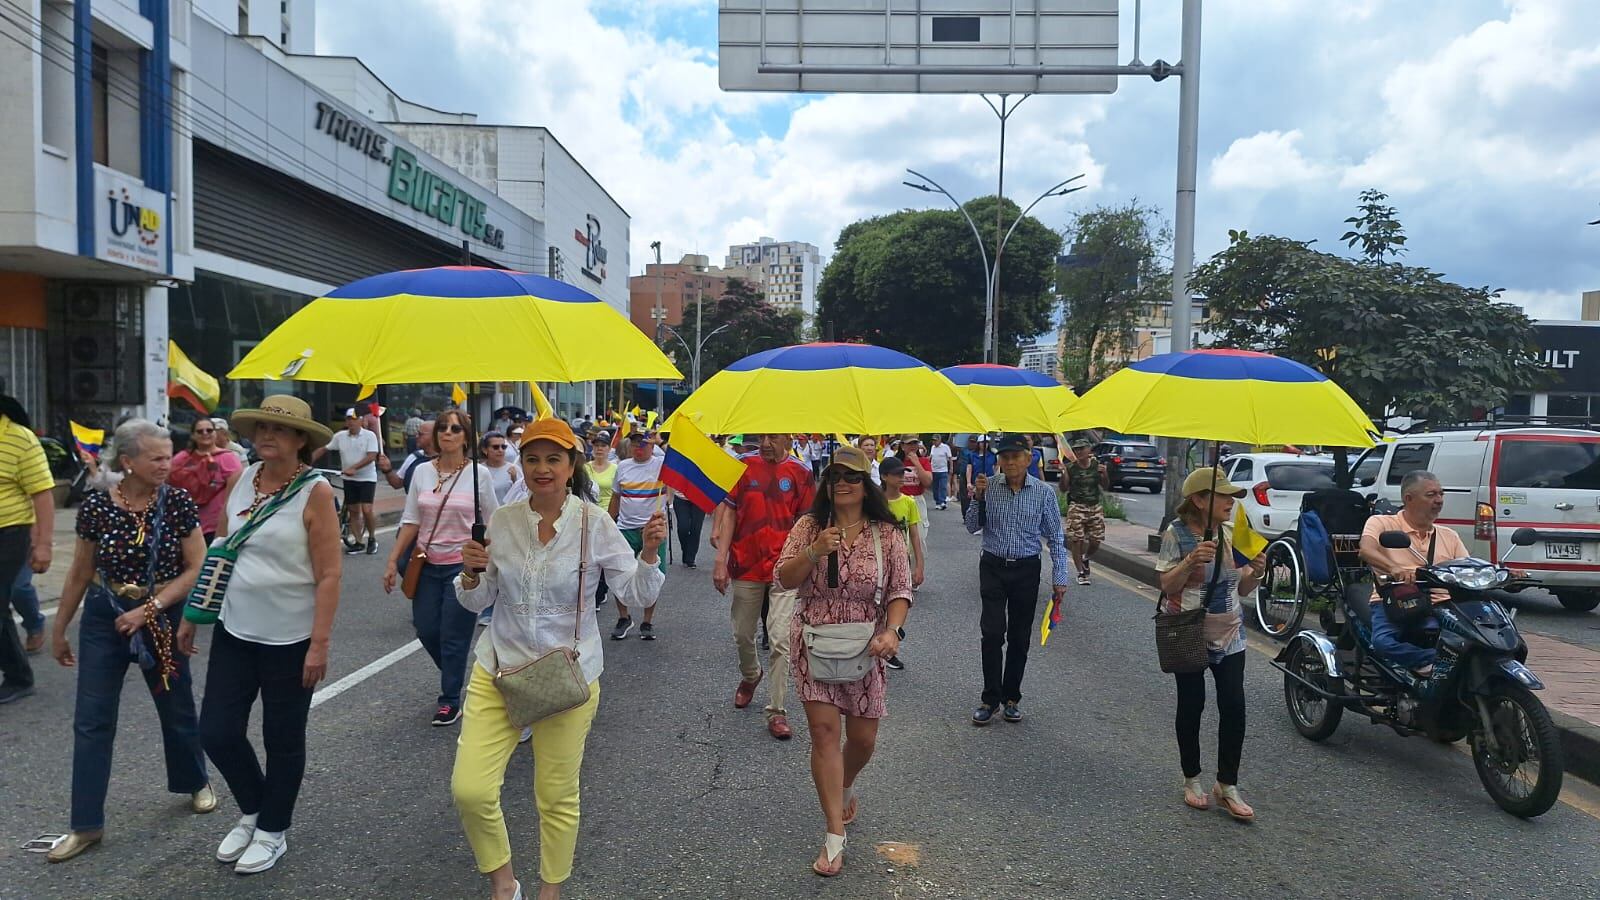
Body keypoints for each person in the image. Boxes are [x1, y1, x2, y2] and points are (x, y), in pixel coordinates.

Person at [453, 418, 665, 900]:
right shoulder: (502, 522)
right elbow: (477, 600)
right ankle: (504, 884)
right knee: (471, 789)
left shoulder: (594, 523)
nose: (542, 468)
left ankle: (552, 889)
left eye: (553, 458)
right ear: (521, 465)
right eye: (532, 458)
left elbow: (631, 589)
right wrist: (470, 574)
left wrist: (649, 553)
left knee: (555, 795)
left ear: (572, 466)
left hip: (569, 674)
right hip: (500, 669)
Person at [178, 394, 342, 874]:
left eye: (281, 430)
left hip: (291, 639)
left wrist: (320, 642)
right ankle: (255, 809)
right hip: (235, 628)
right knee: (217, 731)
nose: (268, 436)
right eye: (262, 427)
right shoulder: (241, 478)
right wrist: (194, 613)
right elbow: (222, 551)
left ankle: (273, 830)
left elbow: (330, 574)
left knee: (282, 738)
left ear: (301, 441)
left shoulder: (316, 492)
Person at [46, 419, 214, 862]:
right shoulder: (98, 506)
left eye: (167, 455)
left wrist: (152, 608)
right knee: (92, 719)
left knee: (175, 704)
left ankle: (195, 780)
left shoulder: (176, 502)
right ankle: (86, 824)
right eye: (156, 457)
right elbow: (81, 570)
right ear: (128, 462)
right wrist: (60, 627)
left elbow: (196, 567)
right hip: (106, 616)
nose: (166, 464)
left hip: (161, 614)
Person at [775, 446, 912, 877]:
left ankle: (845, 783)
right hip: (814, 639)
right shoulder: (810, 526)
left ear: (865, 483)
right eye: (834, 476)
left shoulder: (886, 533)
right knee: (824, 733)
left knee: (864, 740)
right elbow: (784, 577)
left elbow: (900, 591)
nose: (842, 484)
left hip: (866, 646)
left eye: (851, 477)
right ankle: (834, 835)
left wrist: (891, 631)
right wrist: (815, 551)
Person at [1155, 466, 1265, 822]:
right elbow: (1167, 586)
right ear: (1200, 500)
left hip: (1230, 631)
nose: (1231, 502)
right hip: (1189, 631)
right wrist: (1190, 561)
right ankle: (1192, 779)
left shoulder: (1234, 532)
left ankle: (1227, 785)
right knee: (1193, 704)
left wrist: (1258, 571)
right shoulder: (1177, 534)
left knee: (1234, 704)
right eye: (1224, 496)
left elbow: (1243, 588)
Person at [383, 409, 497, 726]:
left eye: (455, 428)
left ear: (466, 437)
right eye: (443, 428)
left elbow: (492, 522)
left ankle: (449, 699)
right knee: (427, 629)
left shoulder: (479, 475)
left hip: (463, 567)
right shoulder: (422, 472)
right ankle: (453, 672)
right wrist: (392, 560)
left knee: (454, 637)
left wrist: (491, 561)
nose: (447, 432)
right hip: (426, 562)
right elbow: (411, 521)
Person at [712, 433, 815, 740]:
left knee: (781, 639)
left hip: (785, 569)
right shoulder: (742, 466)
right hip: (746, 565)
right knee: (743, 634)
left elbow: (808, 521)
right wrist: (721, 559)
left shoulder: (801, 472)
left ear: (787, 437)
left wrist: (808, 562)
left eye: (773, 437)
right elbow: (729, 512)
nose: (766, 443)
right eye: (762, 437)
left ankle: (777, 710)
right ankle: (750, 675)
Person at [963, 433, 1070, 726]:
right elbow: (972, 527)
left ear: (1029, 459)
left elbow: (1056, 538)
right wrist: (977, 497)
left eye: (1016, 457)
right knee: (993, 632)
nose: (1010, 462)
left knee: (1019, 637)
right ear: (999, 459)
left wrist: (1060, 577)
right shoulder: (988, 486)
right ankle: (990, 698)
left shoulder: (1043, 493)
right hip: (993, 566)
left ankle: (1011, 697)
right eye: (1005, 457)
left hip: (1026, 569)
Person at [1359, 470, 1469, 678]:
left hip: (1442, 604)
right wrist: (1393, 568)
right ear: (1408, 499)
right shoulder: (1382, 523)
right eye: (1431, 495)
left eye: (1441, 494)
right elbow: (1366, 550)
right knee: (1383, 643)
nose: (1439, 500)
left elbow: (1465, 567)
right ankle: (1432, 662)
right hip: (1396, 601)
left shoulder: (1449, 535)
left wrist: (1505, 572)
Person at [0, 393, 54, 705]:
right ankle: (18, 673)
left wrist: (43, 545)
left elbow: (43, 494)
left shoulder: (20, 439)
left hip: (10, 532)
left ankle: (19, 677)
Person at [608, 433, 667, 640]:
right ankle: (624, 618)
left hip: (651, 530)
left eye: (643, 444)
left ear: (652, 446)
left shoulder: (662, 465)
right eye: (634, 444)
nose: (638, 447)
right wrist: (609, 523)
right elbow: (617, 496)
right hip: (625, 529)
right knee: (619, 573)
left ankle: (647, 622)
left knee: (653, 575)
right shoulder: (623, 466)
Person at [877, 457, 924, 672]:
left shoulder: (909, 502)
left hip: (902, 559)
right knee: (878, 604)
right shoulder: (875, 501)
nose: (901, 478)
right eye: (896, 474)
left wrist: (919, 565)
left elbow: (914, 535)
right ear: (884, 476)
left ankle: (891, 640)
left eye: (902, 473)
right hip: (878, 558)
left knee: (899, 601)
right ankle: (880, 644)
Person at [315, 410, 382, 556]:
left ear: (361, 421)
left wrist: (354, 468)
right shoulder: (340, 436)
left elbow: (371, 456)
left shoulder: (369, 436)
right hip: (349, 479)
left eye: (354, 419)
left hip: (366, 478)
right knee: (353, 511)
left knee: (367, 509)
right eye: (348, 419)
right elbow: (324, 448)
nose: (351, 422)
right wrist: (308, 462)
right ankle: (358, 542)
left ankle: (372, 538)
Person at [169, 417, 245, 543]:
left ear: (215, 433)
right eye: (200, 431)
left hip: (215, 526)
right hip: (185, 524)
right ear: (193, 435)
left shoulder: (228, 458)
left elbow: (235, 495)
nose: (205, 434)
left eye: (209, 430)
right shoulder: (181, 459)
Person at [1062, 438, 1109, 586]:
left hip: (1094, 506)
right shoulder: (1071, 467)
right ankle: (1080, 572)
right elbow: (1063, 489)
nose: (1079, 452)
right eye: (1076, 449)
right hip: (1077, 505)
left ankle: (1086, 557)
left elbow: (1106, 486)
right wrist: (1064, 474)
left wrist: (1105, 474)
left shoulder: (1097, 466)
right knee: (1077, 539)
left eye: (1082, 448)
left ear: (1089, 450)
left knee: (1096, 540)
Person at [381, 419, 435, 493]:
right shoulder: (414, 457)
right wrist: (388, 470)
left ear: (434, 436)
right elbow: (397, 483)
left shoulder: (447, 459)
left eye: (420, 434)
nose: (416, 436)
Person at [894, 437, 934, 534]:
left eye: (915, 443)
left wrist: (917, 463)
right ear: (902, 446)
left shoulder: (924, 461)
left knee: (920, 535)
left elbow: (927, 482)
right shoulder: (895, 462)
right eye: (909, 443)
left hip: (917, 500)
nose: (912, 446)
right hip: (899, 500)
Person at [482, 430, 522, 505]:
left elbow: (523, 495)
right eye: (495, 447)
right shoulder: (478, 470)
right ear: (485, 450)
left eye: (503, 447)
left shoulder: (514, 469)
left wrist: (515, 480)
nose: (500, 450)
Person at [955, 435, 979, 518]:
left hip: (974, 475)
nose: (972, 444)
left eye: (974, 442)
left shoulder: (977, 453)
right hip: (963, 475)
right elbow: (959, 461)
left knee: (975, 496)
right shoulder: (963, 451)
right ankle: (965, 515)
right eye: (971, 441)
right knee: (964, 496)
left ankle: (974, 515)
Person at [928, 435, 953, 510]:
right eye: (933, 440)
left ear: (939, 440)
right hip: (934, 470)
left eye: (935, 440)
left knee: (942, 486)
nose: (934, 442)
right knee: (935, 487)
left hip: (943, 470)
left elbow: (950, 458)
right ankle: (938, 502)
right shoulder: (933, 447)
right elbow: (931, 457)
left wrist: (951, 468)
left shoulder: (945, 447)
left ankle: (942, 501)